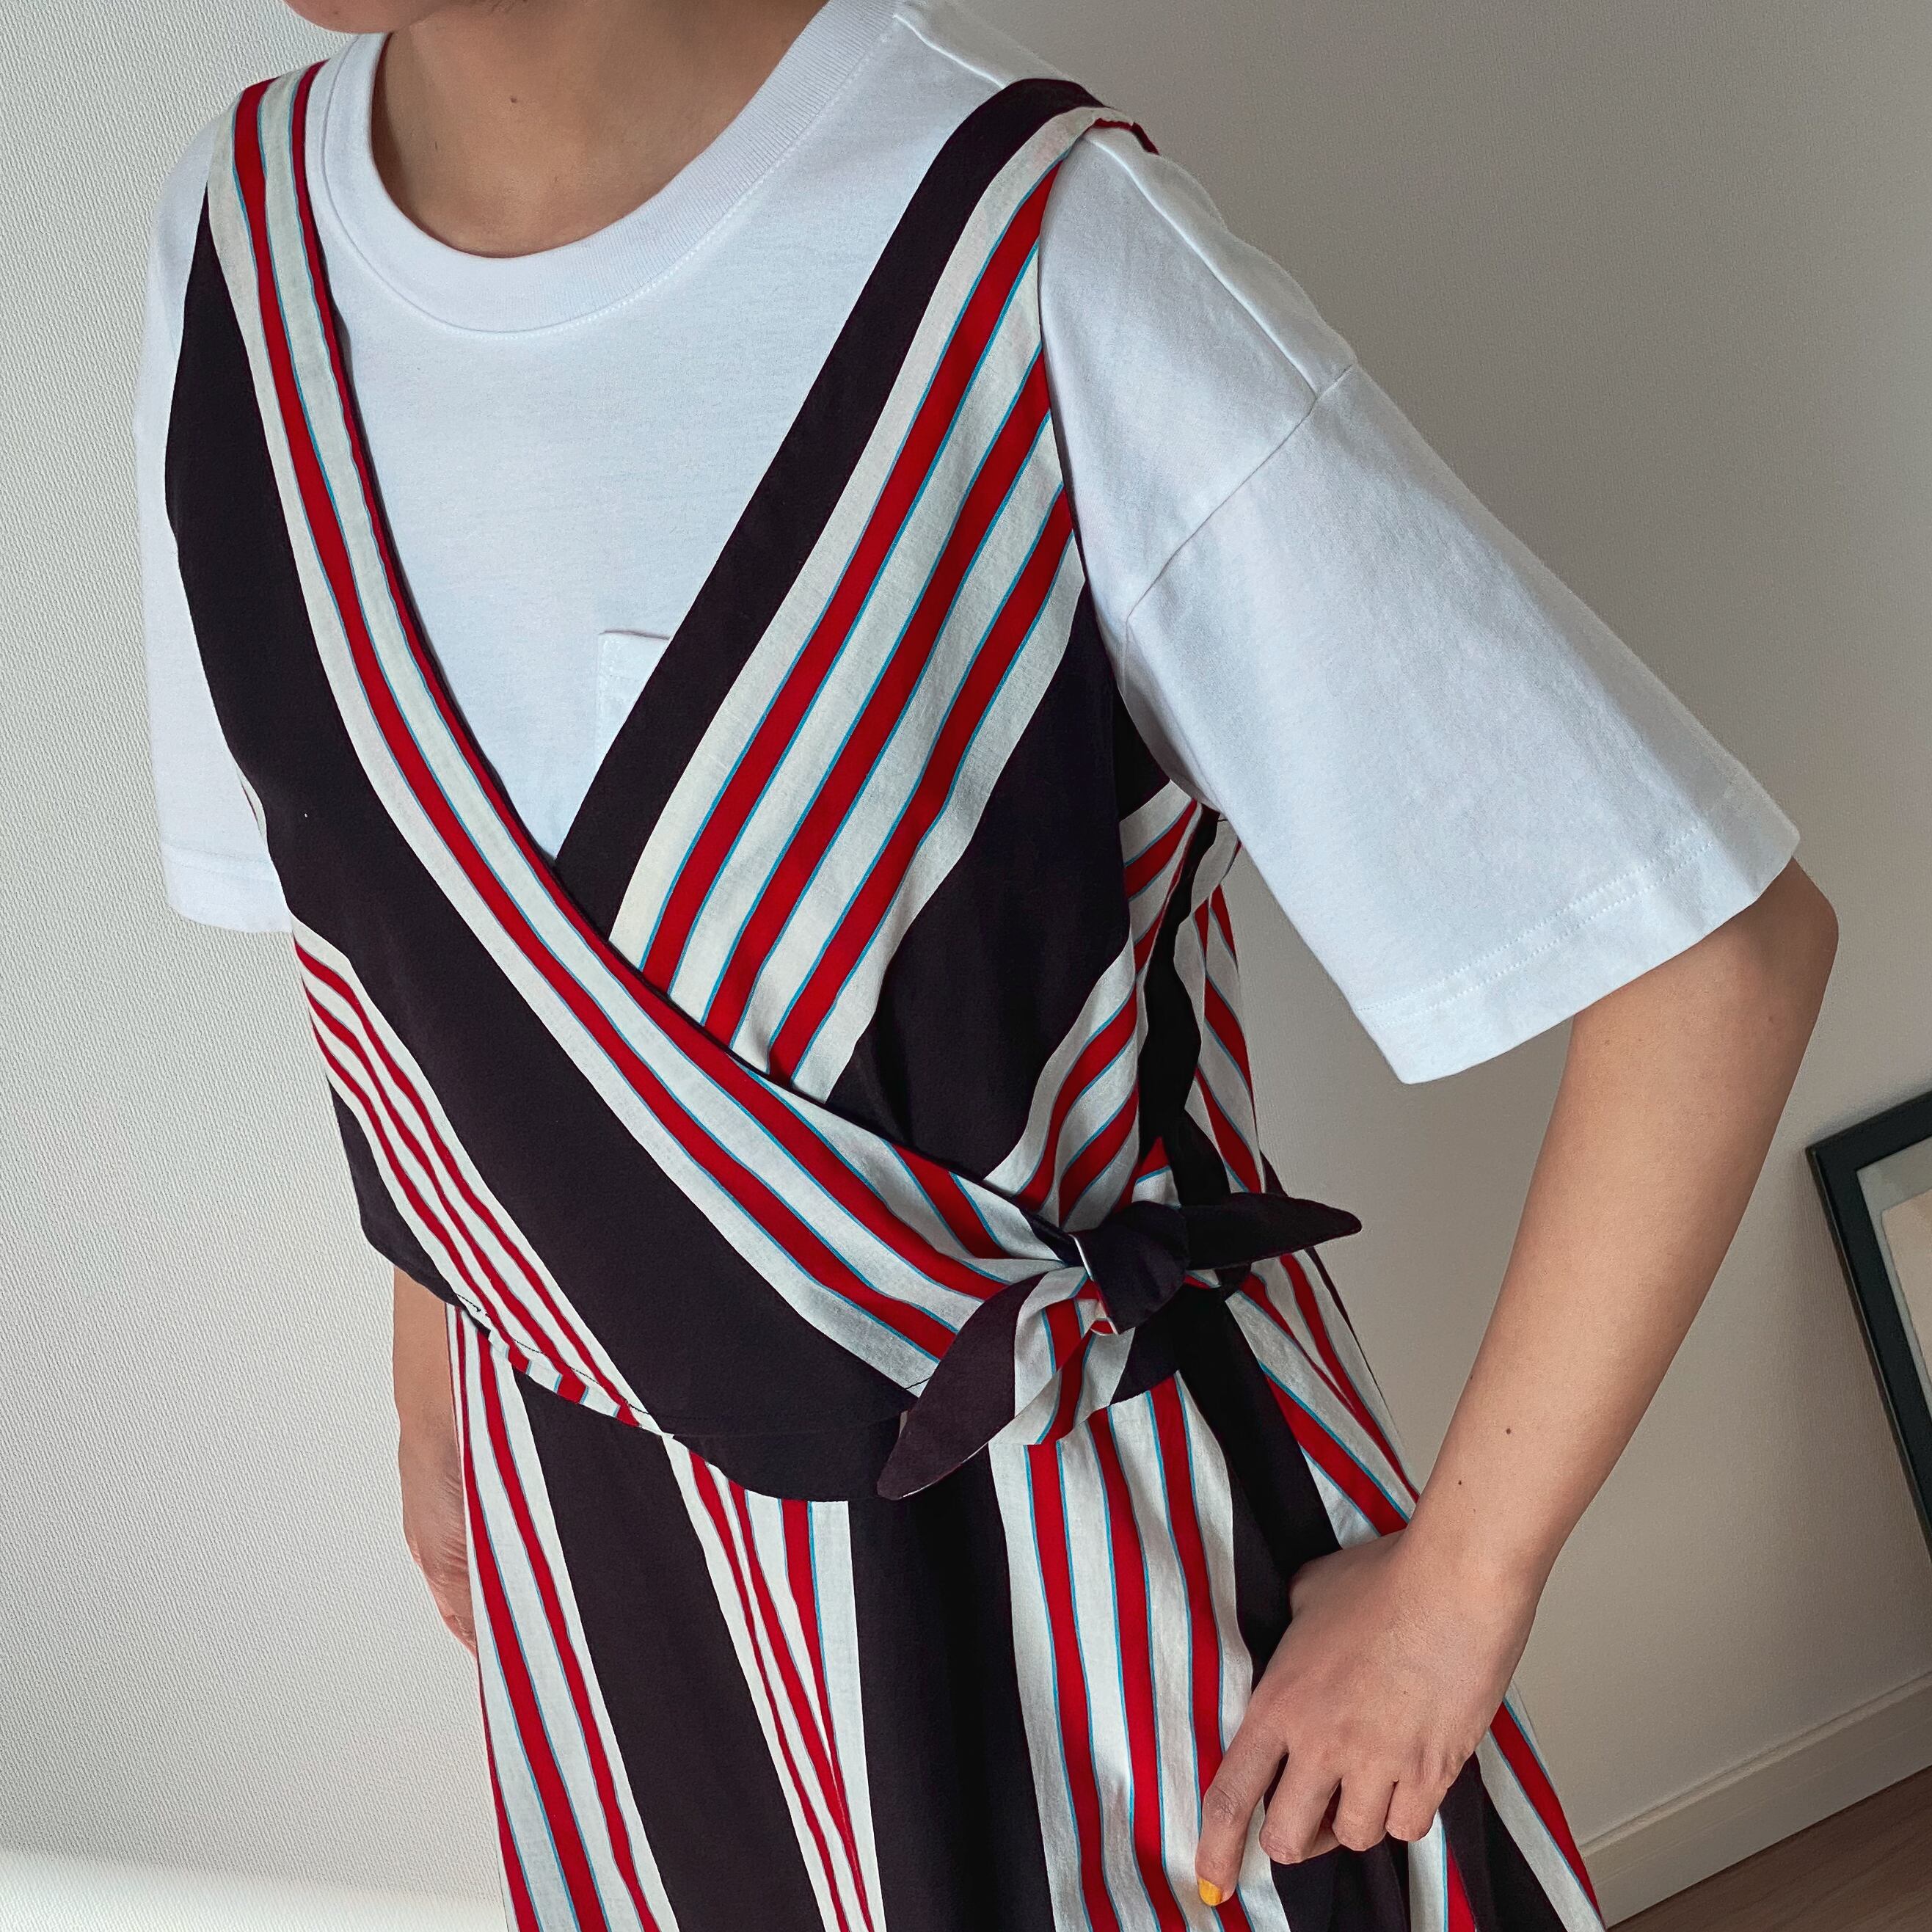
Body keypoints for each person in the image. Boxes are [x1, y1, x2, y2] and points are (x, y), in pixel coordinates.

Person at [132, 0, 1837, 1927]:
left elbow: (1714, 956)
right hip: (612, 1595)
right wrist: (445, 1335)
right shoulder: (242, 253)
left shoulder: (1031, 265)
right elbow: (397, 939)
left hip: (1087, 1600)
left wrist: (1460, 1593)